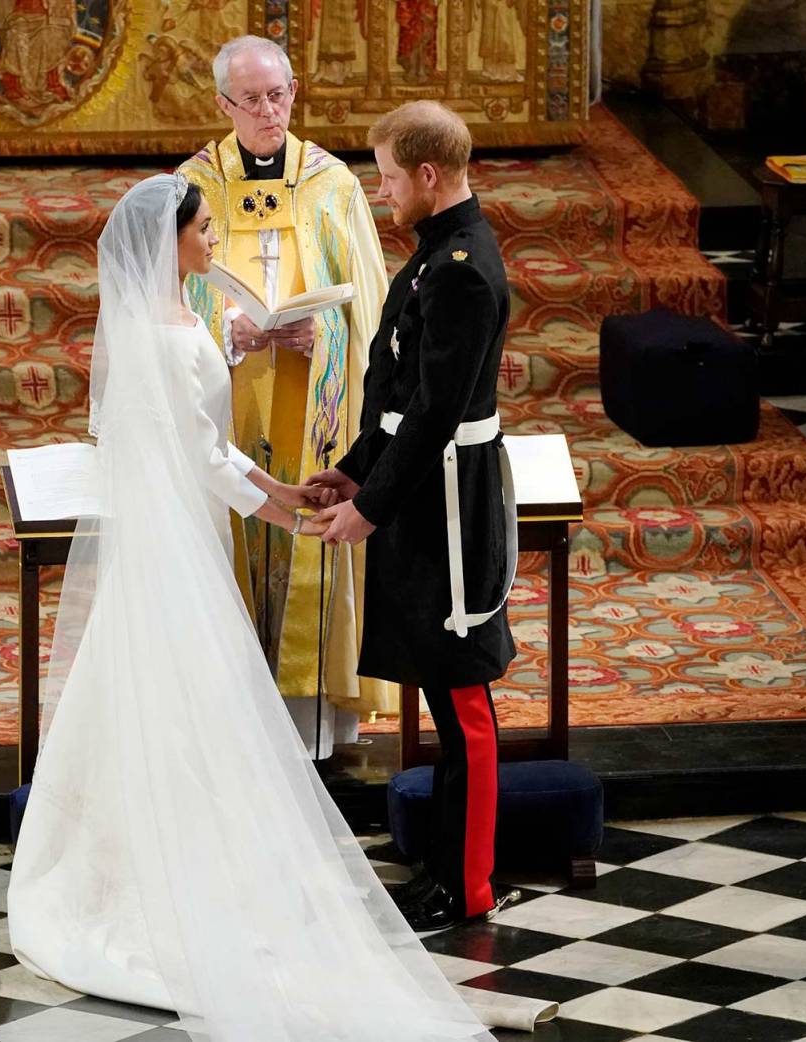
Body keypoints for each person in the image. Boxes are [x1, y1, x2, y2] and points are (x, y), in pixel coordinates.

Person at [7, 173, 496, 1042]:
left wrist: (286, 490)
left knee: (182, 699)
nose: (210, 242)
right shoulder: (156, 338)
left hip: (191, 524)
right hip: (177, 539)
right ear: (172, 241)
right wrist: (283, 510)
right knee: (175, 696)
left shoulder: (177, 316)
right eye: (202, 231)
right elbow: (198, 457)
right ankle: (149, 878)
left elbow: (214, 446)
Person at [307, 101, 517, 933]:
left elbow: (437, 413)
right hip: (418, 492)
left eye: (390, 176)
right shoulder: (437, 252)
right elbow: (395, 396)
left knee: (462, 700)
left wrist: (371, 507)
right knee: (441, 689)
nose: (382, 189)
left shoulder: (462, 266)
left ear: (429, 175)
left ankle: (469, 885)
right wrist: (355, 470)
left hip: (448, 512)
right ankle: (447, 864)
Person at [178, 34, 391, 757]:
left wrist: (323, 336)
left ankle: (311, 729)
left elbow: (369, 311)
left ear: (294, 92)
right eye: (252, 100)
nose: (269, 112)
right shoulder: (193, 185)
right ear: (223, 105)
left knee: (312, 527)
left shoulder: (333, 184)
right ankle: (228, 723)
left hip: (314, 403)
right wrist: (232, 333)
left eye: (280, 95)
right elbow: (170, 297)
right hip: (230, 395)